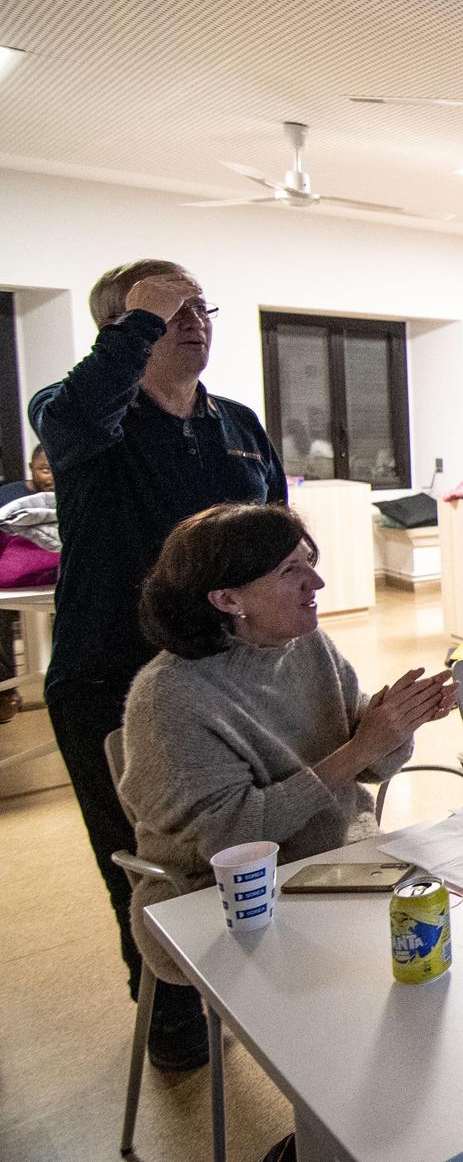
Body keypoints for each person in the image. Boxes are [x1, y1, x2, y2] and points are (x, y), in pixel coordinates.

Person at [29, 259, 286, 1070]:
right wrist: (137, 323)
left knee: (238, 841)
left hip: (227, 676)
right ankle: (172, 1021)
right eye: (169, 309)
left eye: (199, 305)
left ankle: (261, 997)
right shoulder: (82, 419)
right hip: (111, 676)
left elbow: (280, 534)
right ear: (122, 327)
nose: (193, 319)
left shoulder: (236, 422)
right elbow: (72, 416)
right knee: (151, 867)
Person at [119, 504, 454, 1064]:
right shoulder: (170, 698)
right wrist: (364, 746)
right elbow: (234, 839)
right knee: (395, 986)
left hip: (335, 865)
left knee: (450, 935)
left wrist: (399, 722)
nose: (317, 582)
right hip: (218, 900)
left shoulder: (308, 647)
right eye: (290, 572)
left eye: (310, 563)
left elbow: (368, 764)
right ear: (227, 599)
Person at [0, 443, 56, 725]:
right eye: (45, 469)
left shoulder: (65, 496)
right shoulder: (10, 495)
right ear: (32, 468)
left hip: (48, 577)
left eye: (56, 470)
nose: (50, 477)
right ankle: (5, 691)